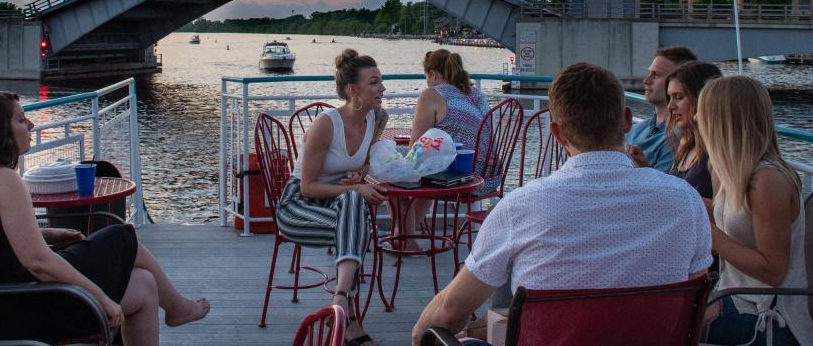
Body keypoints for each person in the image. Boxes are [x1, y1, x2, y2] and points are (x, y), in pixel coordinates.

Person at [411, 62, 711, 346]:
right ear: (627, 120)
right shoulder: (685, 200)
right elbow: (695, 313)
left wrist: (419, 335)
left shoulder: (521, 207)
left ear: (557, 133)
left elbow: (449, 312)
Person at [0, 91, 208, 346]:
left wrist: (47, 235)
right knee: (124, 237)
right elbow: (38, 263)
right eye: (20, 119)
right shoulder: (3, 180)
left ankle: (176, 307)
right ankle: (178, 307)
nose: (30, 125)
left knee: (145, 284)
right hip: (22, 310)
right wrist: (99, 298)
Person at [277, 49, 389, 346]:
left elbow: (367, 161)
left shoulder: (377, 118)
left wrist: (361, 174)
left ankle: (339, 300)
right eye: (375, 82)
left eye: (381, 81)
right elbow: (308, 187)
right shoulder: (326, 124)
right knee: (356, 219)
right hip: (297, 207)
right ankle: (348, 316)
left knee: (354, 210)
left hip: (338, 206)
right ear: (353, 90)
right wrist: (357, 188)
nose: (383, 88)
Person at [699, 75, 813, 346]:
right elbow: (731, 219)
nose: (697, 121)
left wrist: (710, 234)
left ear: (724, 121)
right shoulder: (729, 172)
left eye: (703, 114)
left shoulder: (768, 180)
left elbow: (773, 270)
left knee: (673, 320)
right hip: (733, 297)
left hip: (771, 319)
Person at [405, 49, 491, 234]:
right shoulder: (475, 94)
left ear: (433, 74)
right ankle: (410, 230)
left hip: (458, 178)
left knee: (394, 175)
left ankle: (403, 235)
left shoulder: (432, 95)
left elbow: (415, 146)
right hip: (487, 176)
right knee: (431, 163)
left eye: (427, 77)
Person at [626, 45, 697, 171]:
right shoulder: (635, 130)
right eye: (649, 73)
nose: (646, 80)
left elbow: (665, 188)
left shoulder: (679, 139)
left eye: (656, 74)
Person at [665, 61, 723, 200]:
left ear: (702, 99)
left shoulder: (719, 152)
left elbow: (724, 214)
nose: (670, 106)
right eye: (669, 97)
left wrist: (678, 198)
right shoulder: (685, 143)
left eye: (679, 97)